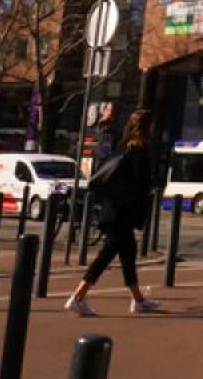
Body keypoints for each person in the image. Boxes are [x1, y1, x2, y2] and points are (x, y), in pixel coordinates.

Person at [65, 109, 162, 316]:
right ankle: (78, 296)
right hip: (122, 212)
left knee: (128, 254)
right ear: (147, 126)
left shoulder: (122, 146)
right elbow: (138, 183)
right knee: (108, 253)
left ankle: (138, 300)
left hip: (113, 208)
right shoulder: (139, 150)